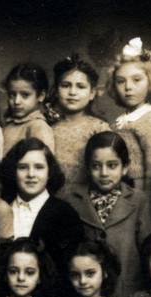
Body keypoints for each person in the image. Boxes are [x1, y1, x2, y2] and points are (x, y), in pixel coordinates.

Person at [65, 131, 151, 297]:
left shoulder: (139, 201)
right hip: (84, 293)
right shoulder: (72, 200)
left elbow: (147, 251)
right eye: (96, 166)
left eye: (112, 165)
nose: (104, 173)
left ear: (125, 167)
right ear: (88, 168)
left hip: (126, 292)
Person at [0, 137, 83, 275]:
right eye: (23, 167)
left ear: (49, 172)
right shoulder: (1, 207)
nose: (31, 174)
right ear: (13, 172)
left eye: (39, 167)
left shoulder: (65, 214)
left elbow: (69, 269)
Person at [110, 37, 151, 194]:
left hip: (140, 200)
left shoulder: (150, 122)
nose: (128, 87)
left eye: (137, 80)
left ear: (150, 83)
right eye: (121, 81)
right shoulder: (121, 122)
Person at [49, 54, 110, 196]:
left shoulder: (99, 128)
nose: (72, 92)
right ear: (56, 91)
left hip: (88, 203)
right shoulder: (48, 129)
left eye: (80, 87)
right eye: (65, 85)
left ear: (92, 93)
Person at [2, 62, 55, 154]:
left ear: (41, 96)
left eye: (25, 95)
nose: (16, 101)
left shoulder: (38, 127)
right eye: (12, 95)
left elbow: (42, 162)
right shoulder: (9, 124)